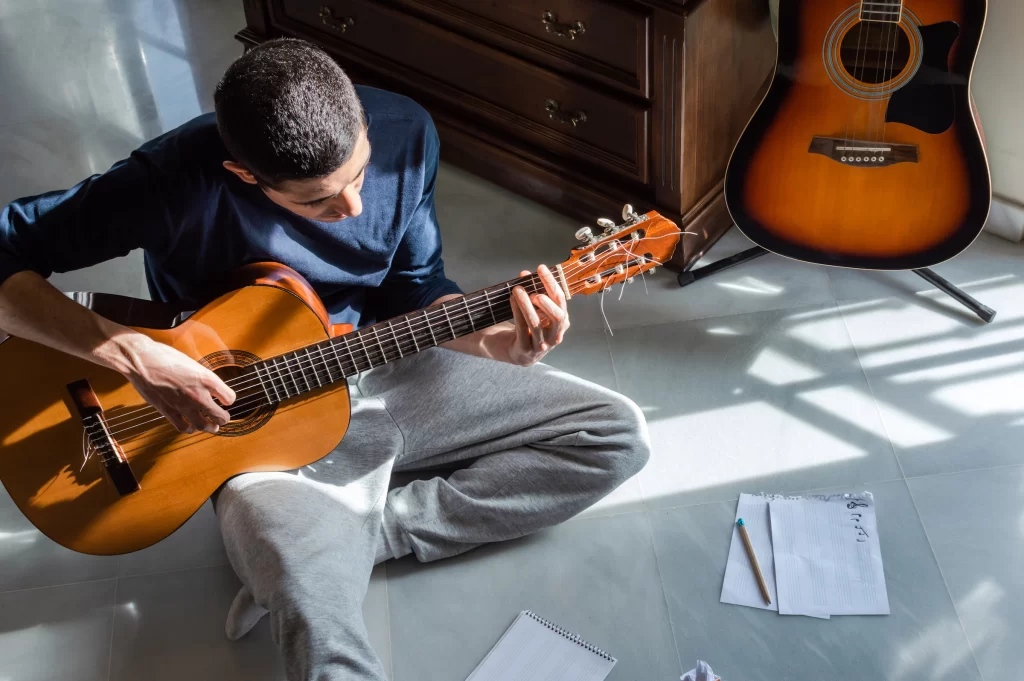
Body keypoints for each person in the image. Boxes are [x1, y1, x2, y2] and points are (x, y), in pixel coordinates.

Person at [0, 38, 650, 680]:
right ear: (245, 175)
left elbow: (415, 293)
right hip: (249, 436)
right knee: (324, 642)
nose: (353, 208)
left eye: (360, 174)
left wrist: (504, 345)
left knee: (616, 436)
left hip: (388, 367)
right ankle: (307, 562)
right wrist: (130, 351)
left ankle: (370, 533)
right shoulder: (174, 180)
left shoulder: (406, 133)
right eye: (316, 200)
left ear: (363, 126)